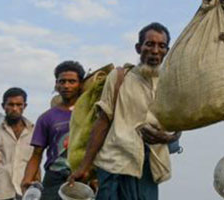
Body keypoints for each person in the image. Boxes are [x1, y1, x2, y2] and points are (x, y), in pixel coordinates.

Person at [69, 22, 177, 200]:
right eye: (149, 44)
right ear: (138, 48)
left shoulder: (169, 84)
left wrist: (169, 137)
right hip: (114, 165)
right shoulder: (120, 76)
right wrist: (84, 166)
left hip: (148, 169)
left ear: (167, 51)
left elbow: (178, 124)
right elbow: (102, 121)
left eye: (161, 46)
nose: (155, 51)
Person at [21, 61, 85, 199]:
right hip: (54, 178)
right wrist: (27, 179)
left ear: (80, 84)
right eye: (62, 81)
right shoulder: (47, 117)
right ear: (56, 84)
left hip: (82, 178)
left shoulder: (90, 113)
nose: (66, 86)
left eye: (72, 81)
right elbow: (36, 154)